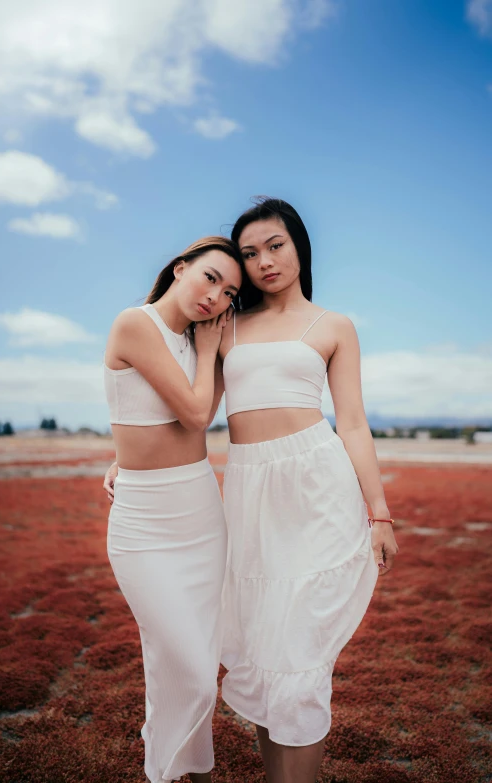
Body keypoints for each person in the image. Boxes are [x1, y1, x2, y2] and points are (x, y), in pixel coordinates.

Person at [217, 197, 398, 783]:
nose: (264, 261)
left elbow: (351, 422)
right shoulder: (225, 325)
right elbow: (191, 410)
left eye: (275, 246)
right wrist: (128, 458)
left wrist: (380, 512)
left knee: (300, 652)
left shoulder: (332, 326)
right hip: (248, 491)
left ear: (299, 245)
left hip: (316, 487)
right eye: (249, 253)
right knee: (267, 652)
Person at [103, 236, 243, 783]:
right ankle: (165, 767)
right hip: (143, 521)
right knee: (186, 664)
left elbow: (188, 414)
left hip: (200, 510)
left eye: (230, 292)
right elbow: (192, 413)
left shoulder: (202, 340)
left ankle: (191, 771)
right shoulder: (135, 324)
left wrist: (213, 354)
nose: (217, 297)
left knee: (189, 666)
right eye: (210, 278)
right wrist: (210, 354)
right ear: (181, 269)